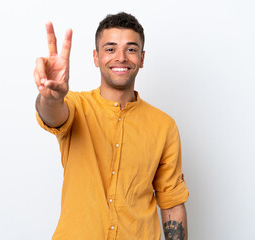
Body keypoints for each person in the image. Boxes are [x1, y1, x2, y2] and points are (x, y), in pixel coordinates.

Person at [34, 12, 189, 240]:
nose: (121, 57)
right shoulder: (75, 106)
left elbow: (172, 203)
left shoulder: (164, 126)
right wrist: (51, 97)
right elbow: (53, 116)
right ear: (96, 58)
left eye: (131, 49)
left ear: (142, 58)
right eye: (110, 48)